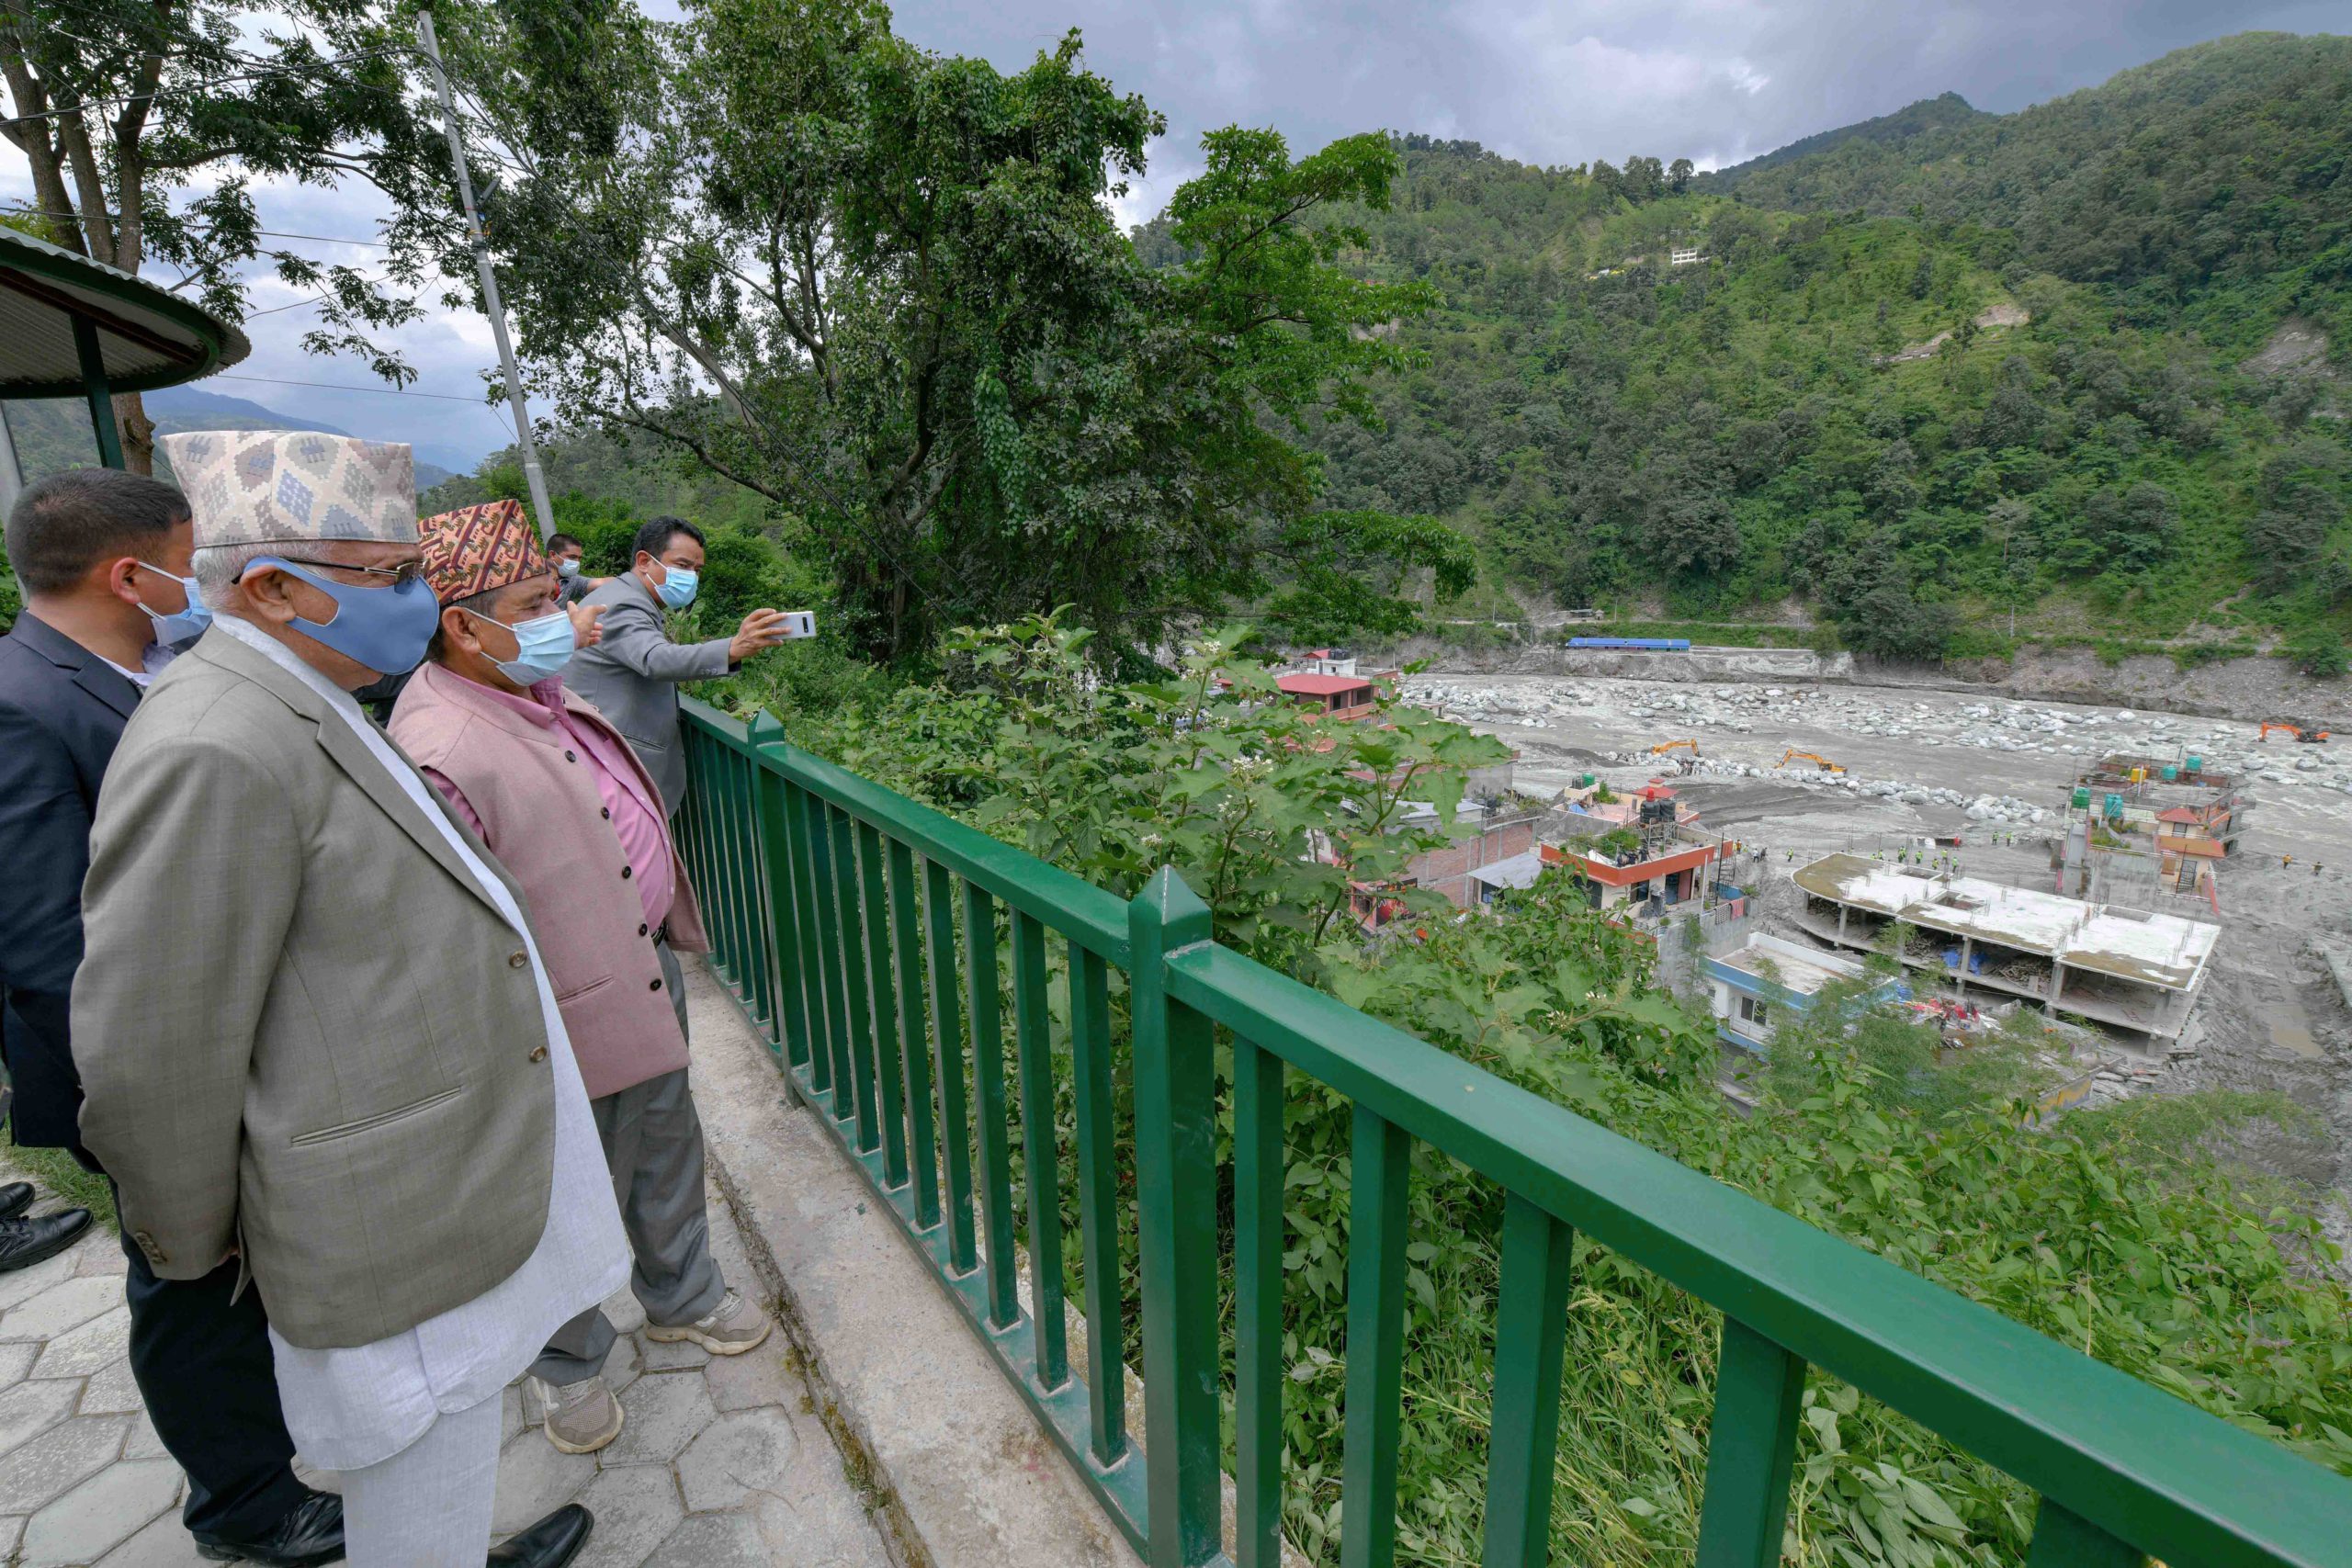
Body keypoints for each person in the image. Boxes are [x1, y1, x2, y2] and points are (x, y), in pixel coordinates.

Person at [74, 431, 628, 1568]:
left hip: (436, 1181)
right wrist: (200, 1249)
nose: (420, 601)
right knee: (415, 1486)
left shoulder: (307, 696)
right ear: (274, 589)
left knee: (444, 1464)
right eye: (394, 576)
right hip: (379, 1208)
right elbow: (153, 1047)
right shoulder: (214, 744)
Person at [0, 468, 343, 1562]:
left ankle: (290, 1442)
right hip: (150, 1077)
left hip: (218, 1042)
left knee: (242, 1270)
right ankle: (247, 1506)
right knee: (192, 1285)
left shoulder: (142, 670)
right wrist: (146, 1109)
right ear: (126, 576)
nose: (199, 586)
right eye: (188, 565)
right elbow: (49, 949)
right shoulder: (22, 702)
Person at [392, 501, 772, 1456]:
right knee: (565, 1187)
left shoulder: (531, 690)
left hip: (634, 966)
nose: (564, 616)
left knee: (665, 1139)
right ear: (463, 625)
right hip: (552, 1012)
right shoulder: (441, 747)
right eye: (535, 603)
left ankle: (682, 1293)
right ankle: (566, 1363)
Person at [564, 515, 793, 813]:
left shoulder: (623, 595)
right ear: (644, 561)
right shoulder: (623, 603)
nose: (692, 577)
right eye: (683, 565)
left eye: (697, 570)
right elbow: (655, 658)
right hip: (612, 767)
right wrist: (733, 648)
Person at [548, 531, 599, 605]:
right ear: (553, 555)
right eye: (572, 557)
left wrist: (617, 580)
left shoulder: (572, 580)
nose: (577, 562)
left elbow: (599, 582)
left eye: (579, 558)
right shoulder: (533, 577)